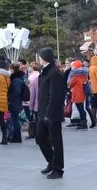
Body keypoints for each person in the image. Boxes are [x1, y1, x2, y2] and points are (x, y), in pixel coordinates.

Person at [36, 48, 66, 180]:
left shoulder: (54, 73)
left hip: (52, 113)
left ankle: (58, 168)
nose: (38, 59)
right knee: (40, 137)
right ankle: (51, 162)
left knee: (56, 141)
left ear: (44, 58)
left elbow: (56, 96)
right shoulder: (46, 71)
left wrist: (49, 113)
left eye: (40, 57)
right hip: (43, 112)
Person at [68, 60, 95, 130]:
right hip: (82, 94)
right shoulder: (84, 75)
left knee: (81, 110)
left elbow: (70, 84)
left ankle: (83, 124)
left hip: (77, 95)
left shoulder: (75, 76)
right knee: (82, 109)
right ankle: (84, 123)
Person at [8, 62, 26, 142]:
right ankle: (15, 135)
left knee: (14, 119)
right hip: (17, 101)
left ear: (12, 69)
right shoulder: (19, 78)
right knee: (14, 119)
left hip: (14, 101)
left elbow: (16, 91)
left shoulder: (15, 80)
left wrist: (10, 98)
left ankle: (17, 137)